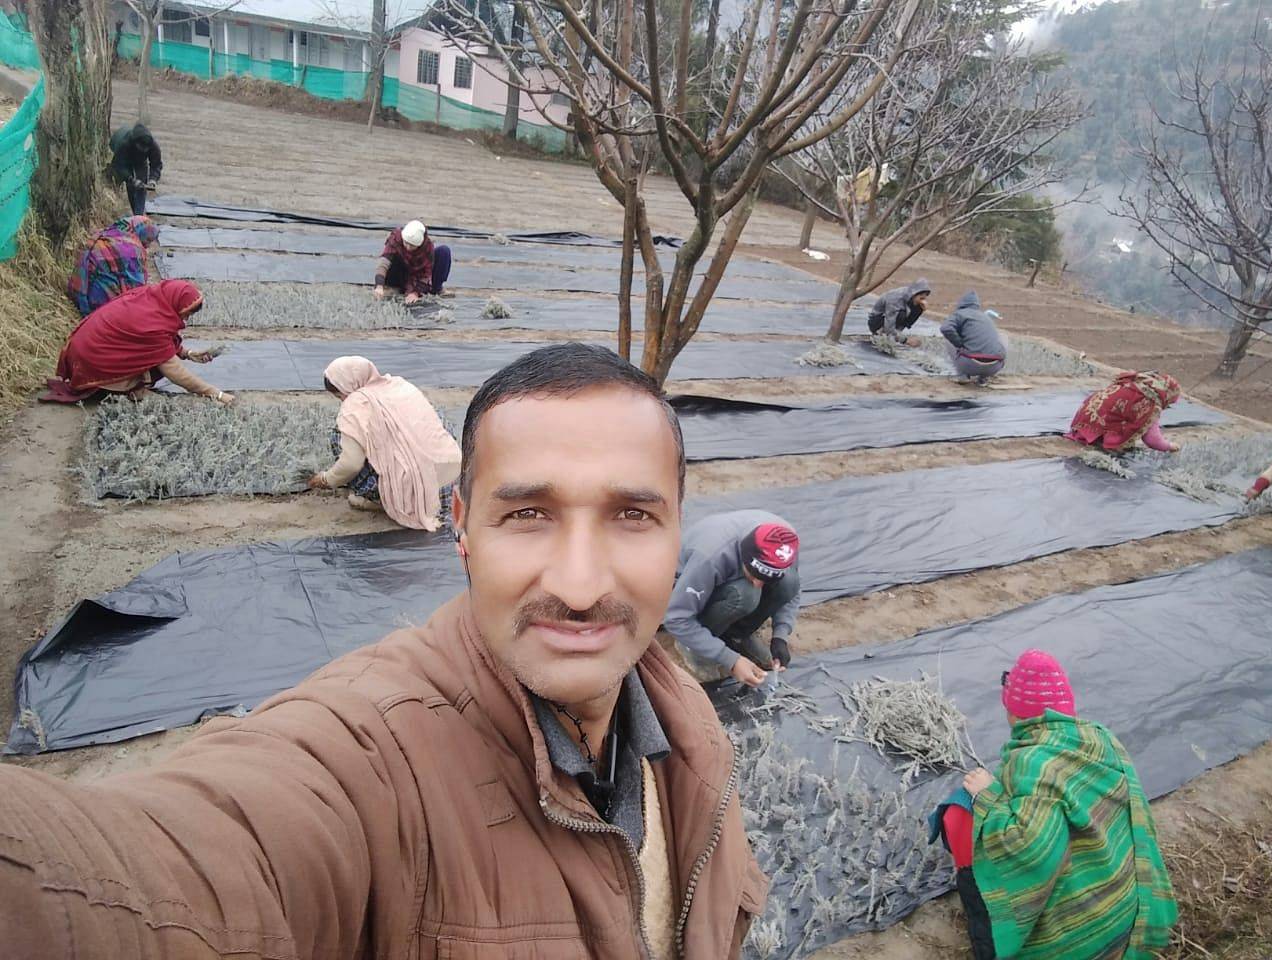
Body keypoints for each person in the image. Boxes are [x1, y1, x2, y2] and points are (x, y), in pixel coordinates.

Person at [1, 342, 767, 959]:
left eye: (632, 515)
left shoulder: (687, 722)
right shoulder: (368, 757)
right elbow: (170, 879)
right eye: (528, 513)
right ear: (462, 528)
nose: (577, 584)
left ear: (679, 532)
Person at [930, 649, 1177, 960]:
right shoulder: (1098, 737)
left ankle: (989, 934)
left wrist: (987, 795)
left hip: (1083, 938)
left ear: (1013, 713)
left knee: (959, 811)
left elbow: (1031, 847)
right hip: (1129, 908)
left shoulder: (1032, 761)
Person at [307, 356, 462, 531]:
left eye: (339, 395)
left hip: (419, 493)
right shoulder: (399, 385)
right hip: (452, 479)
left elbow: (351, 464)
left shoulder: (354, 405)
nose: (342, 400)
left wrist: (325, 479)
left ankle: (384, 500)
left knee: (341, 435)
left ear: (346, 387)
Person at [41, 279, 233, 405]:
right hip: (91, 359)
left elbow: (154, 343)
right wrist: (215, 394)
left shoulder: (152, 298)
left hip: (85, 349)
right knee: (154, 367)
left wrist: (187, 353)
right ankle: (126, 389)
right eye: (188, 313)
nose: (187, 319)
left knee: (153, 359)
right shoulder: (152, 324)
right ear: (177, 303)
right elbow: (174, 371)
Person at [664, 510, 800, 688]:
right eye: (754, 574)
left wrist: (780, 636)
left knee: (789, 582)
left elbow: (792, 592)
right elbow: (676, 618)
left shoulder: (785, 542)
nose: (759, 584)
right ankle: (692, 646)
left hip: (726, 575)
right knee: (746, 594)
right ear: (743, 557)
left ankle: (737, 634)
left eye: (766, 578)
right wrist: (730, 659)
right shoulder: (710, 557)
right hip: (687, 583)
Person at [1065, 371, 1182, 453]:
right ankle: (1107, 441)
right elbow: (1152, 440)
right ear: (1168, 396)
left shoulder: (1136, 384)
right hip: (1098, 432)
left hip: (1082, 421)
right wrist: (1170, 447)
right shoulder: (1150, 402)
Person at [66, 215, 159, 316]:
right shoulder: (134, 249)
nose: (148, 245)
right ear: (141, 232)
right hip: (97, 300)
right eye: (148, 240)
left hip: (79, 289)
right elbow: (137, 287)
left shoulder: (108, 233)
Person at [373, 219, 452, 304]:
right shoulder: (396, 238)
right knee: (394, 257)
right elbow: (384, 262)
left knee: (444, 251)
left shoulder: (427, 248)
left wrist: (415, 293)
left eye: (412, 245)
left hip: (415, 276)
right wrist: (379, 285)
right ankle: (392, 288)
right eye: (406, 243)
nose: (408, 247)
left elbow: (425, 275)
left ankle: (436, 289)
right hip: (399, 274)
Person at [940, 292, 1008, 383]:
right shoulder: (986, 317)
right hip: (995, 366)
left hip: (970, 365)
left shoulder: (960, 314)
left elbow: (945, 328)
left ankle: (962, 375)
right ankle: (983, 378)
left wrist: (959, 344)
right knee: (1002, 337)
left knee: (949, 339)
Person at [110, 122, 163, 216]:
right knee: (131, 185)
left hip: (140, 160)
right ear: (135, 143)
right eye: (142, 148)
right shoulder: (124, 144)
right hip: (124, 157)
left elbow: (156, 164)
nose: (145, 150)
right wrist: (131, 179)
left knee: (141, 186)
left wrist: (153, 179)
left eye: (147, 149)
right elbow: (120, 165)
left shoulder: (153, 145)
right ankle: (136, 213)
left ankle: (138, 215)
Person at [868, 277, 930, 345]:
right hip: (877, 321)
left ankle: (895, 335)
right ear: (914, 294)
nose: (923, 300)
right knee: (901, 314)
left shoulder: (910, 296)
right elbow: (888, 327)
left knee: (919, 307)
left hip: (891, 320)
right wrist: (906, 340)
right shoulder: (896, 299)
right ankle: (882, 334)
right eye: (921, 298)